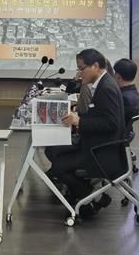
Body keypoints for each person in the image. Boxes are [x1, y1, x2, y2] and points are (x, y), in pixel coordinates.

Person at [46, 48, 125, 216]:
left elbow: (111, 123)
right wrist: (79, 117)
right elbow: (100, 115)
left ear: (95, 66)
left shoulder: (106, 88)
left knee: (58, 166)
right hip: (94, 142)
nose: (80, 73)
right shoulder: (103, 84)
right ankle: (86, 195)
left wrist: (80, 121)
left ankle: (89, 198)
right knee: (55, 152)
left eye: (82, 68)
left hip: (101, 150)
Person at [113, 58, 139, 141]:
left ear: (118, 77)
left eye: (115, 73)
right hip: (125, 132)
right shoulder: (133, 92)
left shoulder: (123, 97)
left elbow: (111, 120)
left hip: (116, 134)